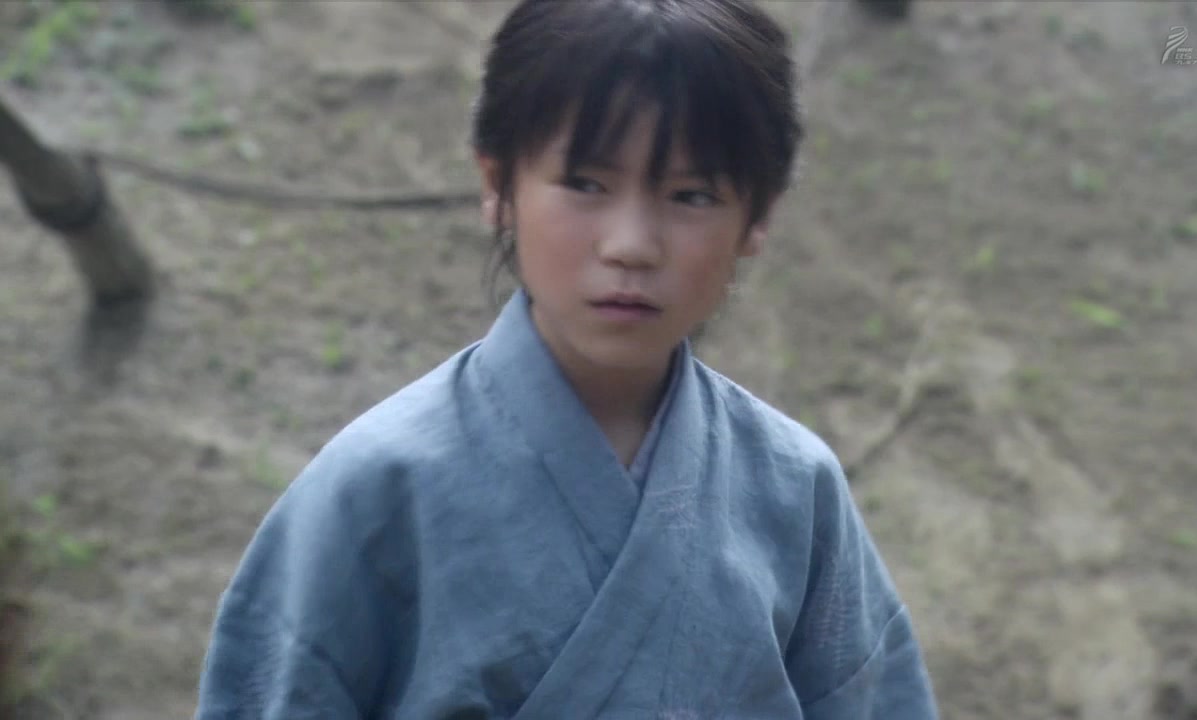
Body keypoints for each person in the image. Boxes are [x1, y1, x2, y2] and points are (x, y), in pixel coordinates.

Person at [195, 0, 939, 717]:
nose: (631, 245)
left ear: (758, 216)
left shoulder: (795, 489)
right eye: (586, 184)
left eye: (691, 195)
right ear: (499, 186)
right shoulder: (375, 487)